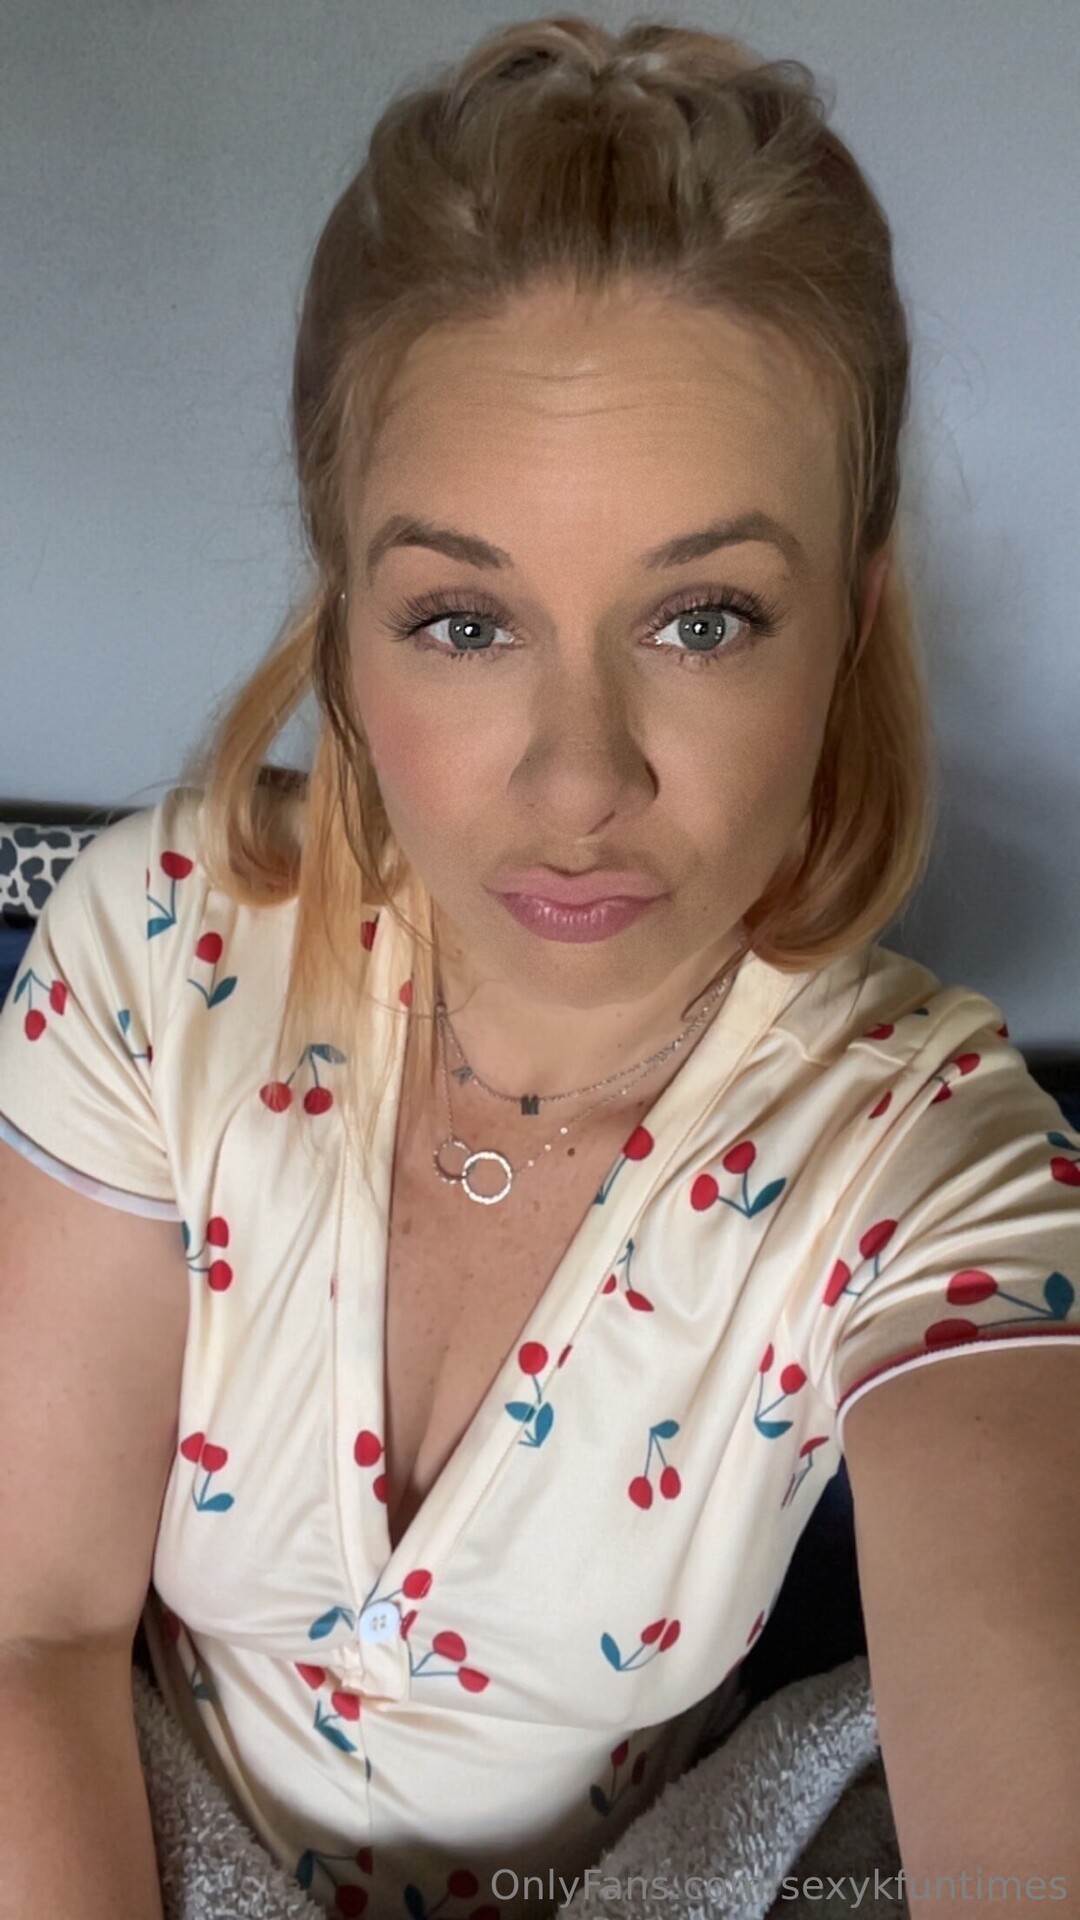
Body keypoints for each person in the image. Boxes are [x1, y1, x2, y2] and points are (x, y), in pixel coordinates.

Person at [1, 17, 1078, 1920]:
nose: (582, 783)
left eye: (704, 617)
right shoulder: (158, 951)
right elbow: (30, 1631)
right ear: (347, 626)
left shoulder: (930, 1164)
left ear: (851, 627)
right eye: (464, 620)